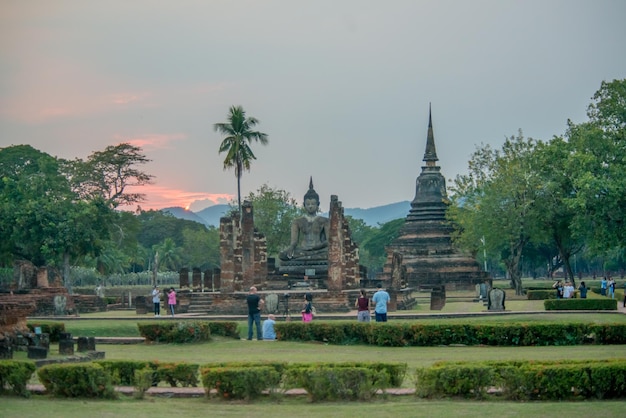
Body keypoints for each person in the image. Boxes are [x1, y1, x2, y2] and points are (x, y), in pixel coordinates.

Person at [279, 178, 329, 261]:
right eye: (308, 204)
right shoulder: (297, 221)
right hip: (303, 250)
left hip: (319, 250)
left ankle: (306, 259)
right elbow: (294, 242)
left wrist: (316, 247)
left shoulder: (324, 221)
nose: (310, 206)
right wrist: (290, 248)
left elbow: (328, 241)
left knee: (330, 253)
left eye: (313, 204)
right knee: (283, 255)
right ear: (304, 205)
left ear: (318, 204)